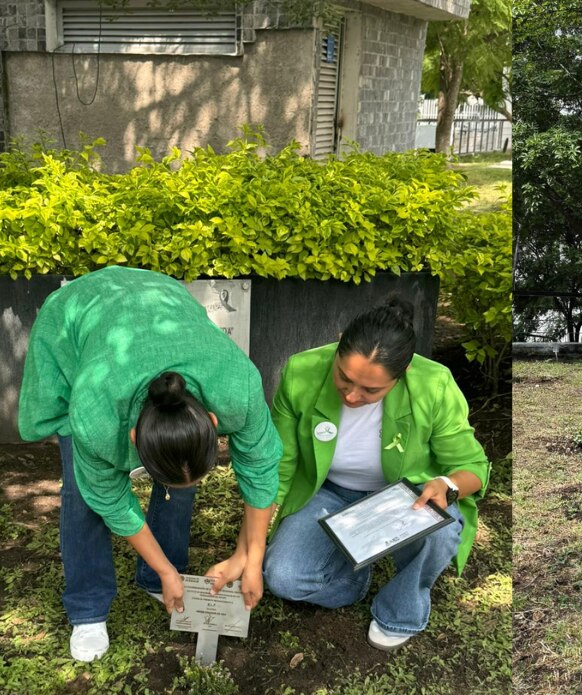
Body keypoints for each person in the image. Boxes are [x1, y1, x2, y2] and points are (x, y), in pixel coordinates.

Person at [18, 267, 283, 662]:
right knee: (83, 491)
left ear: (212, 422)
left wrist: (253, 560)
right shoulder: (96, 415)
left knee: (180, 468)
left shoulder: (236, 387)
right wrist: (167, 571)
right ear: (133, 439)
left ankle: (159, 574)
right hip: (77, 319)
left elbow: (261, 470)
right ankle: (88, 608)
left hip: (159, 299)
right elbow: (109, 498)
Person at [263, 297, 489, 650]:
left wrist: (447, 484)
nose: (352, 396)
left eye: (371, 390)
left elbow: (473, 466)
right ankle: (355, 578)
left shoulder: (434, 384)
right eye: (344, 378)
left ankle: (399, 611)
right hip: (328, 491)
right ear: (338, 345)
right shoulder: (301, 371)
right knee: (284, 577)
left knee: (440, 530)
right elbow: (281, 464)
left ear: (404, 372)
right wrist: (251, 544)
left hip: (404, 495)